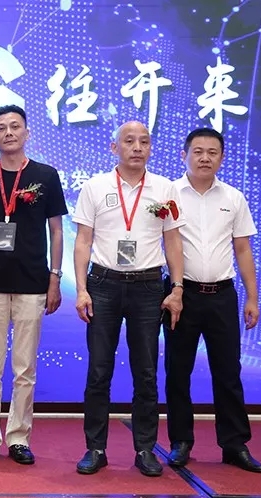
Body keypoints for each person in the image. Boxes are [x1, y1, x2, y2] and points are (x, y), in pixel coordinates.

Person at [72, 120, 185, 477]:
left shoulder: (165, 188)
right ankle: (95, 448)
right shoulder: (95, 186)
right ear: (114, 147)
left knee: (146, 372)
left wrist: (177, 288)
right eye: (129, 141)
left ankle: (145, 449)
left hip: (148, 287)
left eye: (144, 142)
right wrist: (81, 289)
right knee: (99, 370)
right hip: (103, 284)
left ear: (151, 148)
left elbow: (173, 241)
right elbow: (83, 241)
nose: (137, 148)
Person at [0, 104, 67, 465]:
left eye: (14, 126)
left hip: (32, 284)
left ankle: (20, 437)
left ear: (27, 132)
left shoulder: (46, 175)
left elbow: (57, 231)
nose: (8, 133)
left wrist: (55, 277)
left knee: (25, 369)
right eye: (1, 128)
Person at [164, 127, 261, 473]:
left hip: (222, 295)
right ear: (184, 155)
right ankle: (180, 442)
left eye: (212, 152)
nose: (205, 158)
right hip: (181, 294)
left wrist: (252, 297)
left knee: (228, 371)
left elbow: (243, 249)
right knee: (178, 370)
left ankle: (234, 444)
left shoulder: (233, 197)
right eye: (198, 151)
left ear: (221, 158)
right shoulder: (168, 195)